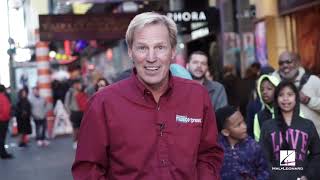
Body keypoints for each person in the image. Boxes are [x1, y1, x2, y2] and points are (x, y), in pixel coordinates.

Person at [72, 12, 224, 179]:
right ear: (130, 51)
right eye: (142, 48)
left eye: (160, 47)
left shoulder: (197, 96)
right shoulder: (103, 103)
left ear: (172, 51)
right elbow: (87, 169)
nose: (151, 58)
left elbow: (209, 154)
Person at [260, 81, 320, 180]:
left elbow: (317, 154)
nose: (285, 98)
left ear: (296, 98)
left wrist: (308, 175)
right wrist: (275, 177)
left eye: (290, 94)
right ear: (276, 99)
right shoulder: (267, 126)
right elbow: (263, 157)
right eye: (281, 95)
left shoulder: (307, 125)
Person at [272, 51, 320, 136]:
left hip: (314, 140)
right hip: (287, 142)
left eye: (288, 62)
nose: (285, 66)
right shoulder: (273, 85)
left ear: (297, 63)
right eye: (281, 63)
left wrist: (307, 100)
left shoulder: (312, 80)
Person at [216, 106, 270, 180]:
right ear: (226, 132)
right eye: (238, 125)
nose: (244, 126)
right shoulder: (217, 148)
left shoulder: (253, 147)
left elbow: (264, 171)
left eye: (243, 121)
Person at [253, 75, 280, 141]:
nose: (264, 92)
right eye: (262, 90)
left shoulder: (289, 112)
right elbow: (258, 141)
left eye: (269, 89)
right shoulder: (259, 116)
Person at [64, 79, 87, 149]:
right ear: (73, 85)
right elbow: (66, 103)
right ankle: (75, 141)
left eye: (79, 84)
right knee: (75, 128)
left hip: (82, 111)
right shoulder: (70, 93)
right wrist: (69, 112)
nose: (78, 85)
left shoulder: (83, 91)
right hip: (74, 112)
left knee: (83, 128)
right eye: (76, 84)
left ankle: (82, 141)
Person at [0, 84, 13, 159]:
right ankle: (3, 153)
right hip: (3, 121)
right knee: (2, 138)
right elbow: (5, 110)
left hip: (2, 119)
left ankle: (3, 153)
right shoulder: (3, 97)